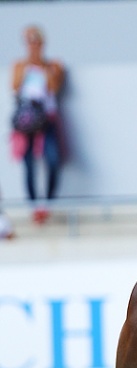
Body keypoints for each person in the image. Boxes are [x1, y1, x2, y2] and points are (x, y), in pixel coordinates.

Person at [10, 25, 65, 224]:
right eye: (29, 41)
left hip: (46, 120)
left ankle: (47, 204)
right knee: (29, 165)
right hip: (26, 122)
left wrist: (43, 67)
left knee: (52, 160)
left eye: (36, 41)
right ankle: (34, 206)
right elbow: (15, 87)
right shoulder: (19, 66)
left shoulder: (53, 65)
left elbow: (53, 87)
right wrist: (28, 66)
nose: (33, 46)